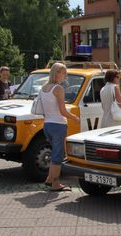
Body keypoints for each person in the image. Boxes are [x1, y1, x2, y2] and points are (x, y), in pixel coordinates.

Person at [41, 63, 80, 191]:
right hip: (58, 124)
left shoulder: (44, 87)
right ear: (57, 73)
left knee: (54, 153)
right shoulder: (58, 89)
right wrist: (74, 117)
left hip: (47, 124)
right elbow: (63, 111)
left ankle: (49, 179)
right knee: (58, 155)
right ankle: (56, 183)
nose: (65, 75)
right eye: (63, 72)